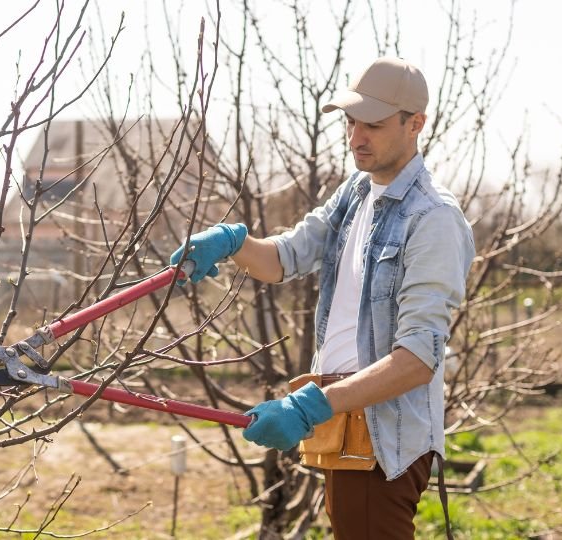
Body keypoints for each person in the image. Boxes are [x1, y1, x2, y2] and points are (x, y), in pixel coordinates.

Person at [170, 57, 474, 538]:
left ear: (415, 124)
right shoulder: (356, 192)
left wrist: (309, 406)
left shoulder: (432, 219)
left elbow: (419, 358)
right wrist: (233, 243)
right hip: (343, 427)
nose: (356, 137)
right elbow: (283, 258)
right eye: (351, 122)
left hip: (381, 437)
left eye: (372, 124)